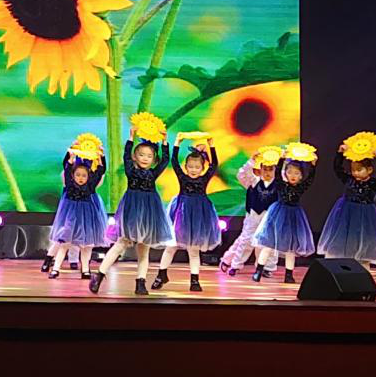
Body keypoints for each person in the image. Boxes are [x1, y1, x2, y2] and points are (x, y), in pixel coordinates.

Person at [90, 124, 174, 297]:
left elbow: (165, 160)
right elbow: (126, 155)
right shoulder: (130, 170)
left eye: (149, 156)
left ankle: (140, 282)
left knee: (144, 249)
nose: (145, 158)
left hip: (149, 211)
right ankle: (99, 275)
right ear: (135, 157)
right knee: (121, 243)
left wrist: (165, 142)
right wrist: (131, 137)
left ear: (154, 159)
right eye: (141, 155)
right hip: (132, 210)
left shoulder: (153, 173)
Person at [153, 139, 221, 292]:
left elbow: (214, 164)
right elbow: (174, 162)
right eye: (190, 166)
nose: (193, 169)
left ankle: (194, 280)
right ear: (186, 167)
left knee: (193, 250)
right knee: (171, 246)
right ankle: (161, 275)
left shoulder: (204, 179)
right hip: (181, 215)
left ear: (202, 168)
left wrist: (212, 145)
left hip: (198, 216)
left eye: (197, 167)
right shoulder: (183, 177)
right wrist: (177, 143)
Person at [251, 143, 318, 283]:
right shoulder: (281, 185)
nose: (293, 176)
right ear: (285, 173)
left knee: (290, 249)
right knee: (268, 245)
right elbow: (277, 174)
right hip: (278, 214)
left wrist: (313, 165)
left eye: (296, 173)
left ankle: (289, 275)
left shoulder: (300, 187)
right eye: (290, 172)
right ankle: (258, 271)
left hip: (294, 216)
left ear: (301, 176)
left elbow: (310, 180)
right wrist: (282, 159)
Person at [317, 141, 376, 269]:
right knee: (342, 243)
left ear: (369, 170)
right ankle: (337, 270)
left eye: (359, 170)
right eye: (353, 170)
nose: (355, 173)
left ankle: (364, 274)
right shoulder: (349, 180)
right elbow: (338, 169)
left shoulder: (373, 184)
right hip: (346, 214)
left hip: (365, 217)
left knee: (364, 247)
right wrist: (340, 153)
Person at [43, 142, 107, 279]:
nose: (81, 178)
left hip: (87, 219)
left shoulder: (90, 186)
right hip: (71, 218)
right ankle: (55, 268)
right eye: (78, 175)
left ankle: (85, 270)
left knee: (86, 245)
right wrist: (70, 156)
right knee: (64, 243)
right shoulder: (70, 185)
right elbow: (66, 167)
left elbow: (101, 171)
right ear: (73, 176)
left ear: (89, 177)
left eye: (84, 175)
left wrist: (101, 157)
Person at [219, 147, 281, 277]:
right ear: (260, 169)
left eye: (271, 169)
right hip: (253, 216)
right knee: (245, 241)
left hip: (270, 218)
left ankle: (266, 267)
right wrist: (251, 160)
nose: (267, 172)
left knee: (268, 243)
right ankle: (234, 264)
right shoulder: (255, 181)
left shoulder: (278, 184)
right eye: (265, 169)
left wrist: (284, 158)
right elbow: (242, 175)